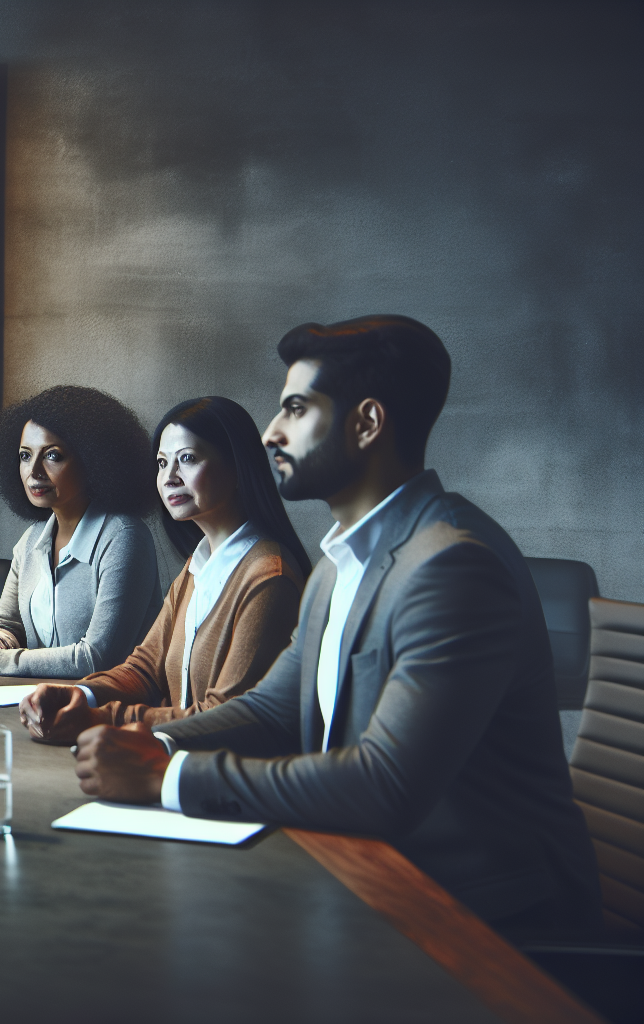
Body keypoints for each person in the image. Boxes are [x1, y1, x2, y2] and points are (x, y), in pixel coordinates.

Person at [71, 315, 600, 927]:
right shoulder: (339, 560)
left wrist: (170, 776)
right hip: (359, 871)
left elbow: (384, 784)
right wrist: (151, 741)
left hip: (482, 916)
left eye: (295, 409)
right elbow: (272, 709)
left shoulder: (453, 565)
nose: (270, 433)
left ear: (367, 424)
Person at [18, 396, 310, 741]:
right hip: (167, 761)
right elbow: (143, 670)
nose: (169, 477)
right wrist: (79, 693)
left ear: (236, 468)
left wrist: (101, 716)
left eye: (186, 459)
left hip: (211, 780)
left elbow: (223, 714)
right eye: (161, 463)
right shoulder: (196, 568)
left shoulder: (267, 577)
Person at [0, 385, 161, 678]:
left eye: (52, 456)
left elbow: (97, 659)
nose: (34, 471)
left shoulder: (124, 537)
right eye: (25, 456)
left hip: (107, 710)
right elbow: (7, 624)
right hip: (35, 704)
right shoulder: (31, 541)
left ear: (93, 460)